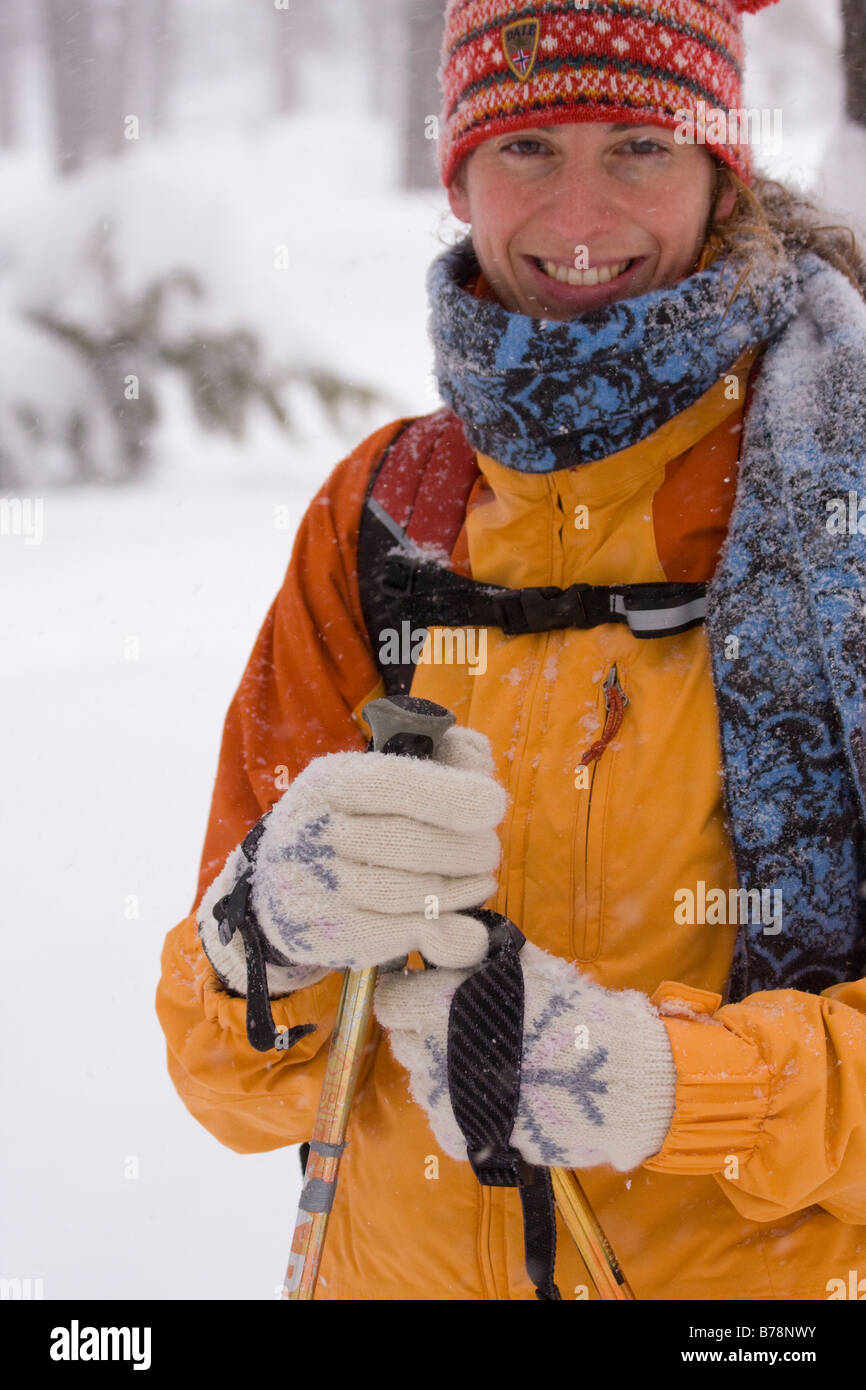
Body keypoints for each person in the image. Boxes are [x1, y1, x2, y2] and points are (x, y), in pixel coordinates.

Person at [156, 0, 866, 1301]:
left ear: (720, 167)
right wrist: (259, 939)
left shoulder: (839, 494)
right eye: (528, 145)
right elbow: (235, 1086)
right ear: (460, 172)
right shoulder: (381, 513)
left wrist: (671, 1083)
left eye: (638, 145)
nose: (581, 219)